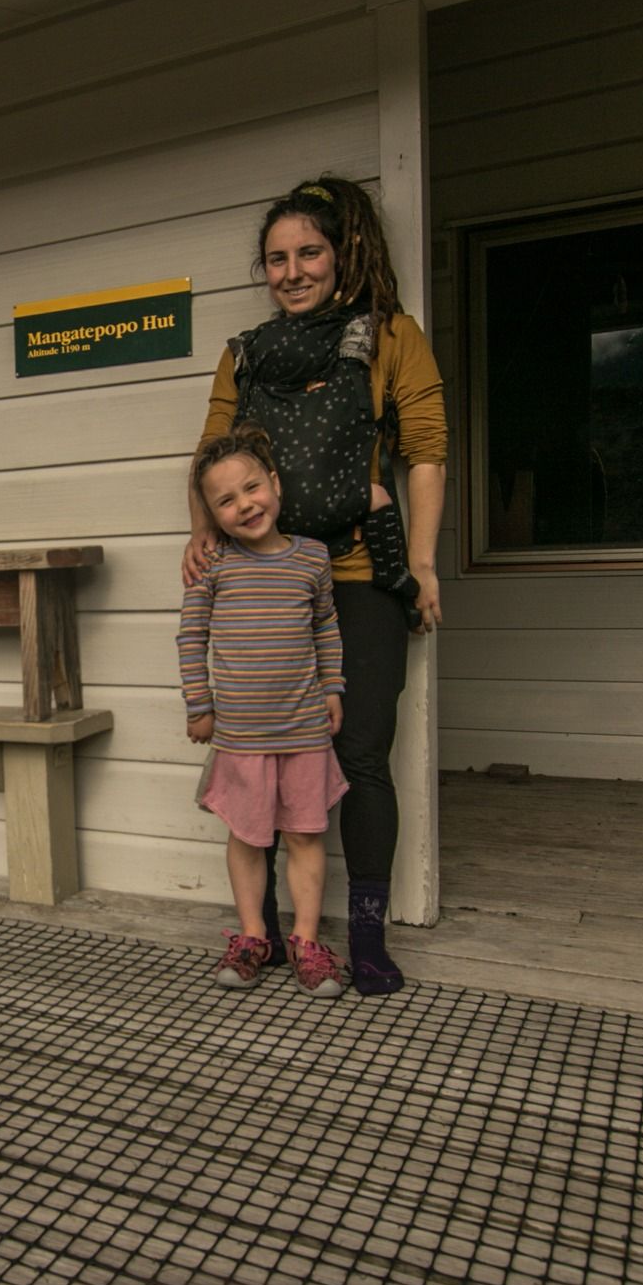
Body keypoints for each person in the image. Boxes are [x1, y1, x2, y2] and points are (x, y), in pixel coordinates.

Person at [182, 175, 447, 997]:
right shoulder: (246, 351)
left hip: (359, 570)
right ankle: (260, 934)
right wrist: (202, 533)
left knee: (361, 752)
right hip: (262, 574)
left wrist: (426, 562)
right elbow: (211, 450)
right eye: (276, 258)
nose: (292, 271)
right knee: (258, 754)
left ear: (341, 255)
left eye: (309, 253)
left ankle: (363, 935)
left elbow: (426, 448)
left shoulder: (390, 335)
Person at [179, 426, 350, 997]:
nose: (244, 504)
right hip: (241, 734)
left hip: (304, 728)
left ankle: (305, 940)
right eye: (225, 500)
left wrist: (333, 688)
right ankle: (254, 936)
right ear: (211, 514)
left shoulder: (313, 559)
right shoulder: (214, 566)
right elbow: (190, 637)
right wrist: (199, 705)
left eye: (251, 488)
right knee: (248, 838)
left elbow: (325, 626)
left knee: (305, 835)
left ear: (274, 484)